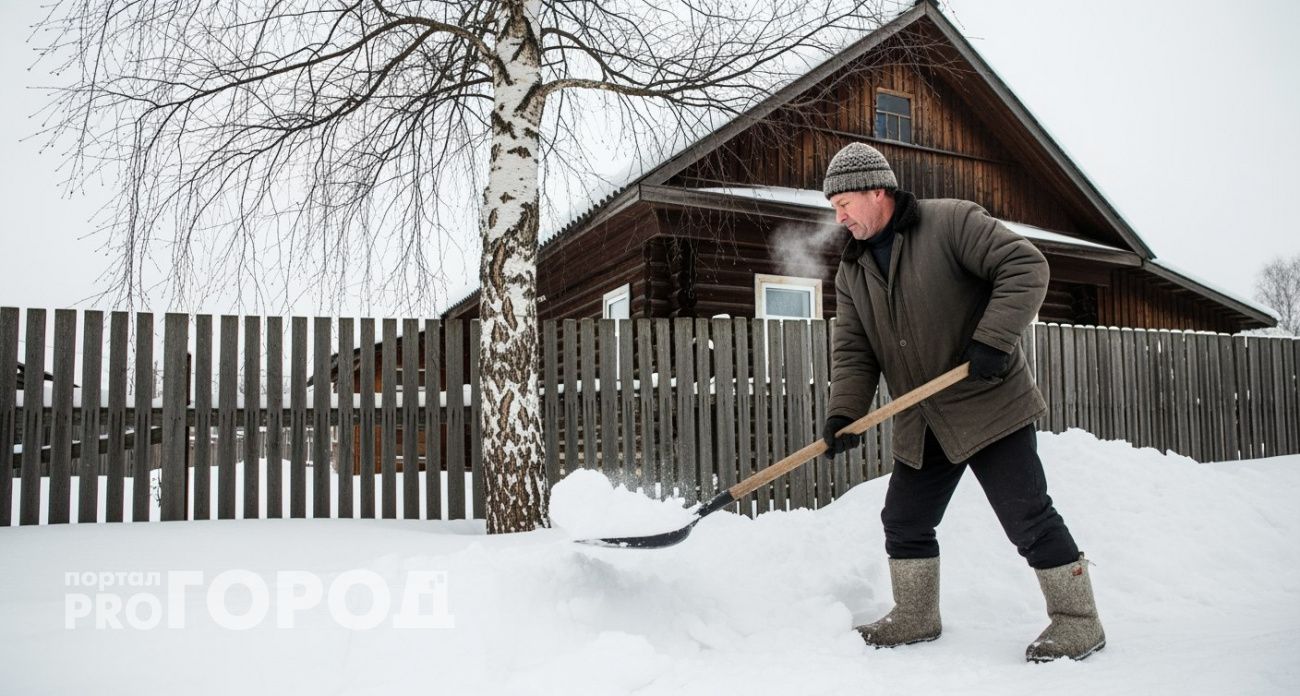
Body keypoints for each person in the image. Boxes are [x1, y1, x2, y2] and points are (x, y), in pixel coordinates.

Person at [819, 142, 1105, 663]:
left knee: (1028, 517)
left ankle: (1078, 621)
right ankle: (915, 616)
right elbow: (854, 349)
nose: (838, 217)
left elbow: (1025, 266)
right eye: (834, 208)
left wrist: (994, 339)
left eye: (843, 204)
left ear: (875, 191)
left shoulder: (949, 223)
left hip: (990, 405)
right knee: (904, 520)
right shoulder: (853, 270)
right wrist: (846, 412)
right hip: (923, 417)